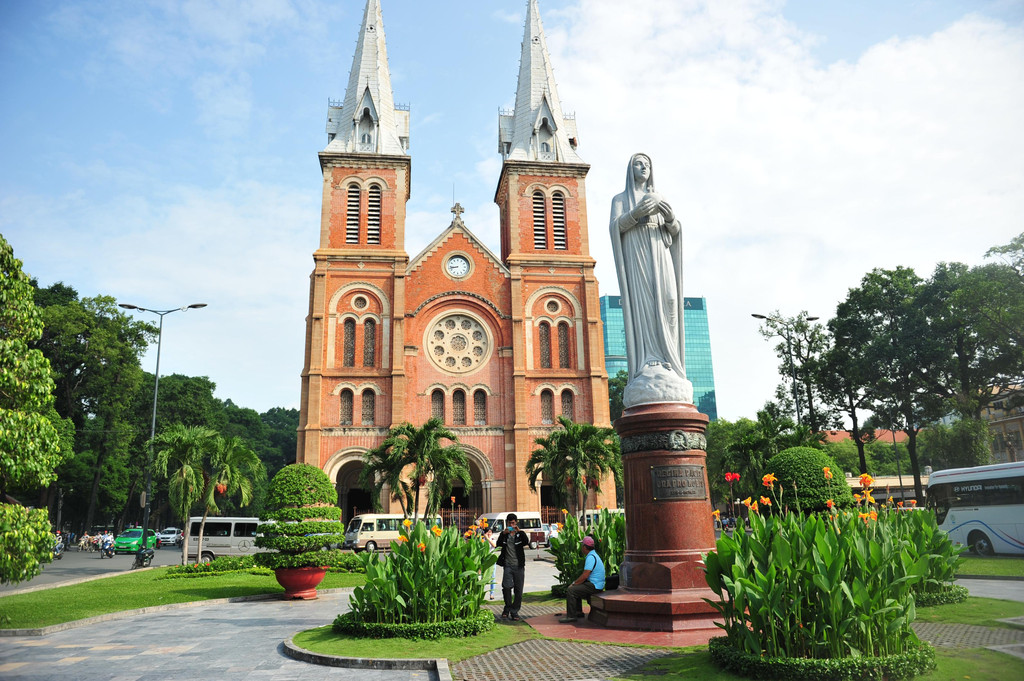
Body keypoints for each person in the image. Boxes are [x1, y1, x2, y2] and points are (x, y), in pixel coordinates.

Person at [609, 153, 692, 407]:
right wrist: (635, 214)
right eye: (638, 163)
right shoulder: (621, 199)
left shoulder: (661, 197)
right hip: (638, 258)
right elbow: (615, 227)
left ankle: (670, 359)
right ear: (630, 169)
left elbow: (676, 232)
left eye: (647, 164)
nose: (643, 167)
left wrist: (670, 219)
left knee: (669, 300)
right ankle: (649, 360)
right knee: (644, 306)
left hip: (660, 253)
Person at [559, 535, 605, 623]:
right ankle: (578, 612)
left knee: (571, 590)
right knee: (578, 587)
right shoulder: (594, 555)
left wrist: (574, 583)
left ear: (584, 547)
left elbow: (585, 575)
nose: (581, 548)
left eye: (582, 546)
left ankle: (571, 616)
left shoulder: (591, 557)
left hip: (595, 585)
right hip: (597, 584)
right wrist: (577, 583)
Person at [495, 513, 529, 621]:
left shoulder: (520, 534)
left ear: (516, 523)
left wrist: (518, 531)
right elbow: (498, 544)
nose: (511, 525)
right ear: (507, 523)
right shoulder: (504, 534)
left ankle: (514, 611)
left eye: (513, 523)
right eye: (510, 523)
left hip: (518, 566)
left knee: (518, 590)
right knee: (506, 587)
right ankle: (507, 608)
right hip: (508, 566)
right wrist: (503, 533)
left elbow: (526, 542)